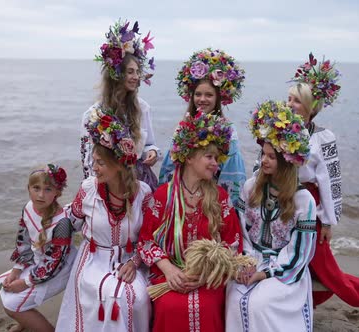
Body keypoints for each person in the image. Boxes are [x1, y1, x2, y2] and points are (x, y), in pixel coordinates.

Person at [139, 111, 243, 332]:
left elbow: (233, 243)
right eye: (209, 157)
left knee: (206, 306)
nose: (215, 164)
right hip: (170, 273)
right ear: (188, 157)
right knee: (168, 306)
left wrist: (206, 274)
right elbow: (146, 242)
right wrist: (168, 269)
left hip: (209, 277)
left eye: (216, 158)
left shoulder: (219, 197)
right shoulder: (163, 196)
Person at [288, 53, 359, 308]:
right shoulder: (277, 129)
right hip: (281, 201)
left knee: (318, 263)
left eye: (297, 100)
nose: (291, 104)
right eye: (289, 99)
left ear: (310, 107)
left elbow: (330, 180)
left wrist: (327, 220)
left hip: (309, 204)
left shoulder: (323, 138)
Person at [55, 107, 152, 332]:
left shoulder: (143, 194)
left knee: (136, 298)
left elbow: (149, 236)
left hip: (129, 257)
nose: (93, 167)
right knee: (109, 295)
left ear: (118, 165)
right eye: (93, 160)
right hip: (93, 259)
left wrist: (134, 262)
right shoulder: (89, 189)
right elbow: (72, 219)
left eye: (100, 162)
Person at [226, 100, 317, 332]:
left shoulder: (303, 200)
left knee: (259, 303)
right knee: (234, 297)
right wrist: (245, 262)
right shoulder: (250, 187)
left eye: (271, 157)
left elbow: (300, 254)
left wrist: (265, 273)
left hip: (285, 268)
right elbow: (242, 231)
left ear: (286, 163)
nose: (264, 160)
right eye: (263, 154)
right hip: (252, 259)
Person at [158, 48, 246, 207]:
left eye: (209, 95)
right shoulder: (182, 127)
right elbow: (170, 168)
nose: (202, 99)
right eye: (198, 94)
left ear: (218, 98)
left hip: (212, 204)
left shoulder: (228, 132)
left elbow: (231, 178)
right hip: (183, 203)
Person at [80, 19, 160, 191]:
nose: (136, 77)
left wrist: (152, 153)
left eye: (138, 72)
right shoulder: (93, 114)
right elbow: (88, 161)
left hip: (139, 183)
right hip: (109, 186)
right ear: (116, 74)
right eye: (130, 72)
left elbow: (149, 144)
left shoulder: (142, 108)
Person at [0, 164, 74, 332]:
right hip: (38, 261)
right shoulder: (28, 208)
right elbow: (23, 240)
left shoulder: (62, 223)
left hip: (60, 269)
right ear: (28, 188)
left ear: (57, 193)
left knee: (11, 305)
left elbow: (54, 262)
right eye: (36, 188)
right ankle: (26, 322)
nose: (40, 195)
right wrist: (17, 270)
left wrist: (25, 283)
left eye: (48, 189)